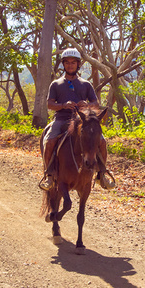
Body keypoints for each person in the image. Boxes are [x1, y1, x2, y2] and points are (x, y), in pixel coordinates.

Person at [39, 47, 115, 191]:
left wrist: (87, 105)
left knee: (102, 141)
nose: (70, 65)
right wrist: (62, 105)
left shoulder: (86, 84)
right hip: (61, 119)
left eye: (73, 62)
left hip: (83, 122)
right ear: (63, 64)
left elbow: (96, 103)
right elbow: (50, 104)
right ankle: (49, 175)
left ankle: (101, 174)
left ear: (78, 64)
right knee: (49, 141)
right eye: (67, 62)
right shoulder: (56, 84)